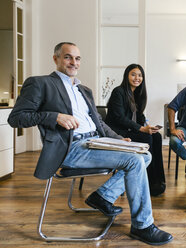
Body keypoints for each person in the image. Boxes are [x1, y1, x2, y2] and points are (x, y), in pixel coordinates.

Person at [7, 42, 173, 246]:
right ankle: (142, 225)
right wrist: (54, 116)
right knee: (134, 161)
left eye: (77, 58)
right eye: (68, 57)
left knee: (144, 155)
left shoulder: (83, 89)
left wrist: (120, 140)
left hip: (95, 141)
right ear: (56, 59)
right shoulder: (40, 83)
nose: (73, 62)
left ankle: (102, 196)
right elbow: (16, 118)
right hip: (71, 147)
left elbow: (99, 123)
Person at [105, 64, 166, 197]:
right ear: (126, 75)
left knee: (156, 136)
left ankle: (158, 179)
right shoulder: (119, 91)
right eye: (133, 74)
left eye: (140, 75)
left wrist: (147, 125)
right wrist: (141, 128)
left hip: (128, 129)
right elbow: (119, 117)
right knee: (146, 138)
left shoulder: (136, 94)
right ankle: (147, 182)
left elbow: (139, 116)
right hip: (118, 132)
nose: (137, 78)